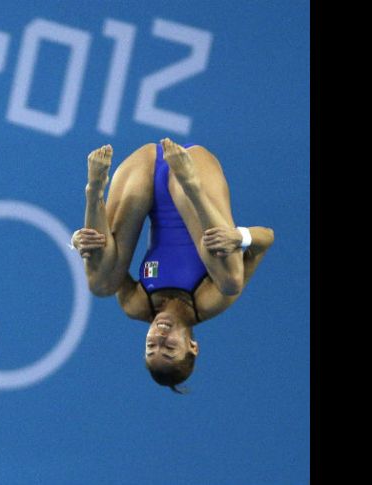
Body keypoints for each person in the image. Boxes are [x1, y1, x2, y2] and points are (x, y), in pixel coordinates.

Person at [71, 138, 274, 393]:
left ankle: (93, 193)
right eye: (169, 348)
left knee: (101, 285)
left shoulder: (136, 304)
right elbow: (266, 238)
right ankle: (192, 186)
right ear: (192, 346)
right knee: (231, 280)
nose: (159, 338)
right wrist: (240, 237)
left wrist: (80, 242)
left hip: (141, 172)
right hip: (193, 174)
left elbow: (102, 262)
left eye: (150, 347)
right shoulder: (209, 301)